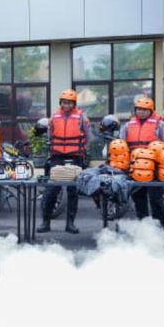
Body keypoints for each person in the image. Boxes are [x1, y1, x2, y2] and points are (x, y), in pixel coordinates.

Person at [39, 90, 94, 234]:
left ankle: (70, 224)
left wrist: (82, 150)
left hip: (75, 156)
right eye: (64, 102)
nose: (66, 105)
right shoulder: (54, 117)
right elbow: (50, 136)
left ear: (74, 103)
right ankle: (46, 222)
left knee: (73, 191)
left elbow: (89, 137)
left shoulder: (82, 117)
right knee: (51, 190)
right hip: (57, 156)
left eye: (69, 102)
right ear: (61, 103)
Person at [120, 94, 164, 227]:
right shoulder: (127, 126)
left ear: (151, 111)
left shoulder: (160, 124)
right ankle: (144, 225)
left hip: (153, 167)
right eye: (139, 109)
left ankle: (160, 225)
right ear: (135, 110)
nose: (141, 112)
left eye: (145, 109)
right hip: (134, 166)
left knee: (156, 198)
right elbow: (121, 145)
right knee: (138, 197)